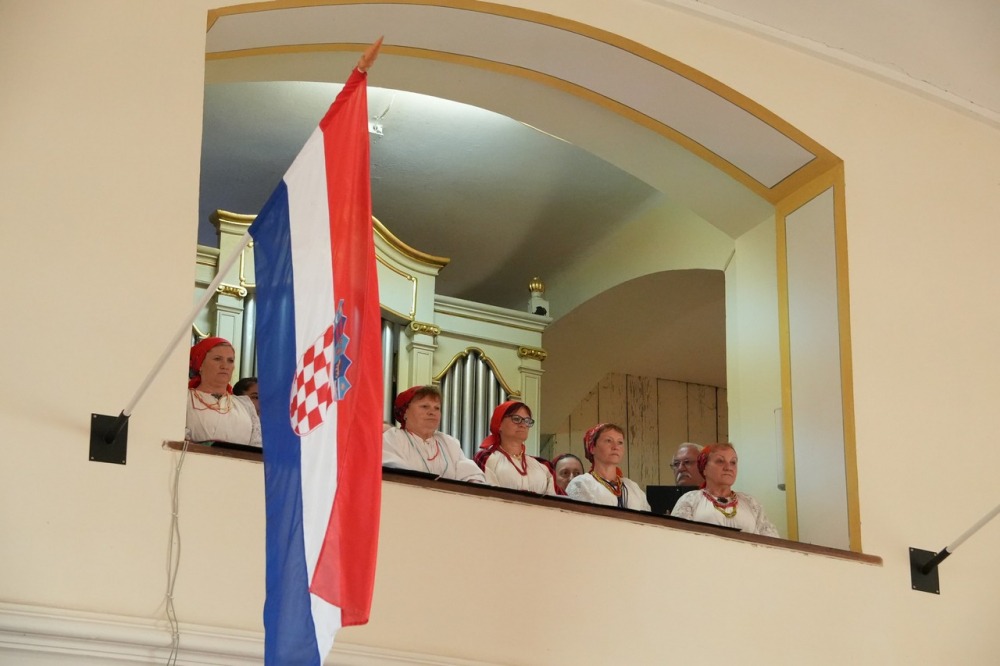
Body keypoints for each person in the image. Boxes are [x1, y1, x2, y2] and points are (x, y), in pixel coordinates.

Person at [670, 443, 779, 537]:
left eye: (733, 462)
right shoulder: (690, 500)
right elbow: (677, 538)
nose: (728, 467)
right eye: (720, 461)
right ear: (704, 468)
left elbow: (772, 541)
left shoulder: (751, 503)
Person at [382, 385, 486, 483]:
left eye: (437, 408)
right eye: (424, 406)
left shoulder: (450, 443)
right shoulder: (392, 438)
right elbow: (393, 471)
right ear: (405, 412)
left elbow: (473, 475)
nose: (432, 412)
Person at [186, 337, 262, 447]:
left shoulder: (245, 405)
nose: (225, 366)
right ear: (200, 364)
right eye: (217, 359)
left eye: (230, 361)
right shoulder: (185, 399)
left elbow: (256, 448)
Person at [475, 401, 556, 494]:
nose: (523, 425)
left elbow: (554, 500)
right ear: (499, 424)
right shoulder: (487, 459)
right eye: (516, 419)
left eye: (527, 421)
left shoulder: (543, 466)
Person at [565, 424, 651, 511]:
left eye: (620, 442)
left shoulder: (633, 487)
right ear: (592, 448)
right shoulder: (582, 484)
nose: (615, 447)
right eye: (608, 441)